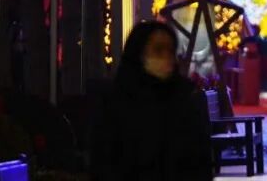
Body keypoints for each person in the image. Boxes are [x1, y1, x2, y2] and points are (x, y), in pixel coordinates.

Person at [90, 20, 212, 181]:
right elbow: (104, 162)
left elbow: (201, 162)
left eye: (170, 50)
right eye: (158, 50)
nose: (166, 57)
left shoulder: (186, 98)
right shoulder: (115, 101)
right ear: (139, 53)